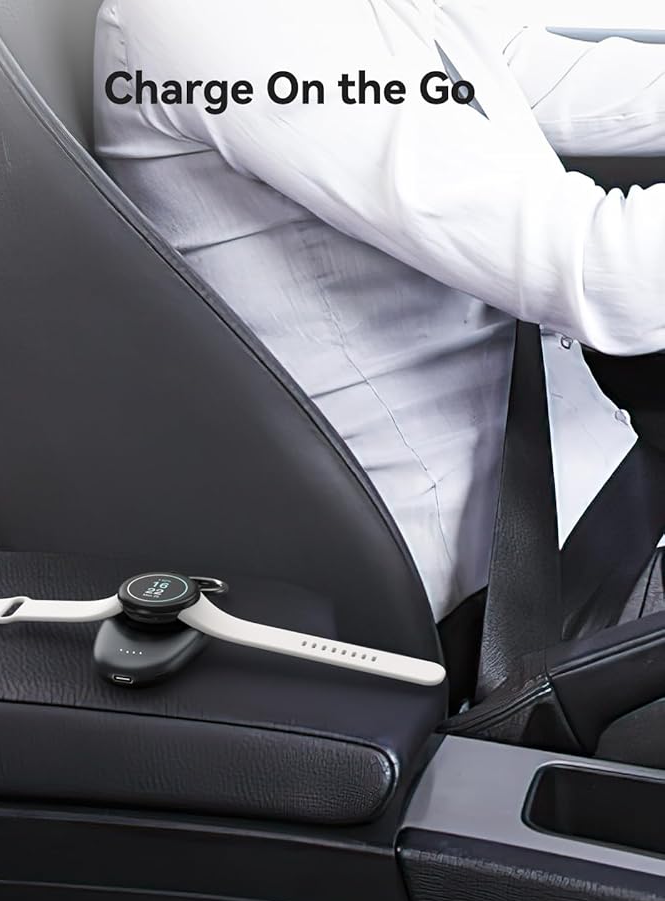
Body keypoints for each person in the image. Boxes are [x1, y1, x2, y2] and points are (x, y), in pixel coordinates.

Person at [93, 0, 665, 626]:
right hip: (519, 576)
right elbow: (604, 273)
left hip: (588, 477)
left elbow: (526, 74)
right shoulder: (228, 21)